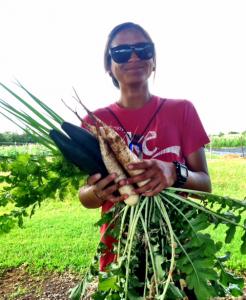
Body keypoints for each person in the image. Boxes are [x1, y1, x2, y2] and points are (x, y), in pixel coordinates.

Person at [79, 22, 211, 271]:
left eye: (143, 49)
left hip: (179, 250)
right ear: (108, 65)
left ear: (154, 60)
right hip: (121, 251)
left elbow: (205, 185)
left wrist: (175, 172)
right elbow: (84, 194)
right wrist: (96, 193)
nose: (134, 57)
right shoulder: (93, 123)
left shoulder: (182, 110)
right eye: (121, 52)